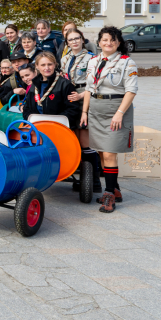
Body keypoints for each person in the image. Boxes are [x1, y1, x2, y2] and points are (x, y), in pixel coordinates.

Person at [82, 26, 138, 214]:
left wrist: (120, 113)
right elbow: (89, 89)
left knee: (109, 154)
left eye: (113, 40)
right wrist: (84, 111)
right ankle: (115, 189)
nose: (108, 43)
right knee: (101, 153)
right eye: (105, 40)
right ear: (99, 42)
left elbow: (131, 91)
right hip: (96, 110)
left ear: (119, 43)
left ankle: (109, 195)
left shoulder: (126, 62)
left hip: (116, 110)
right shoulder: (93, 61)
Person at [60, 28, 100, 192]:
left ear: (83, 40)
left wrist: (82, 95)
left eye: (77, 38)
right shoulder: (65, 59)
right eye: (71, 39)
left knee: (85, 142)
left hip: (85, 98)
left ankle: (95, 182)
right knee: (73, 139)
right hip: (70, 100)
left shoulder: (92, 59)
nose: (74, 42)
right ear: (67, 43)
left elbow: (97, 84)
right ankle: (83, 180)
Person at [22, 52, 80, 129]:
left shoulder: (65, 84)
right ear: (37, 66)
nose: (47, 68)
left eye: (50, 64)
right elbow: (27, 108)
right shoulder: (33, 85)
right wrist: (33, 120)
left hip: (59, 128)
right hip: (36, 127)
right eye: (43, 65)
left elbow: (72, 109)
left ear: (55, 65)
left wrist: (53, 122)